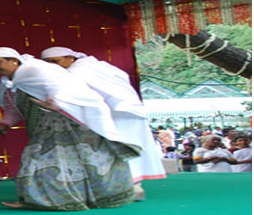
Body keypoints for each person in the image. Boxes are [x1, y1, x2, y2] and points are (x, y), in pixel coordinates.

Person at [0, 47, 139, 211]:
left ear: (13, 60)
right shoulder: (9, 83)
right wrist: (4, 124)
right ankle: (46, 200)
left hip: (74, 123)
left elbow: (69, 90)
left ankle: (107, 197)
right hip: (44, 129)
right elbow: (14, 109)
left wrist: (57, 102)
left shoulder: (36, 70)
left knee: (91, 160)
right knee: (41, 163)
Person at [41, 47, 166, 200]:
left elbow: (76, 95)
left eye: (55, 61)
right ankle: (131, 186)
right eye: (48, 63)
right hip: (126, 110)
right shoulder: (99, 65)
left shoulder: (77, 72)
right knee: (127, 148)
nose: (53, 66)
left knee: (118, 150)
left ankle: (130, 188)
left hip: (117, 113)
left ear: (70, 58)